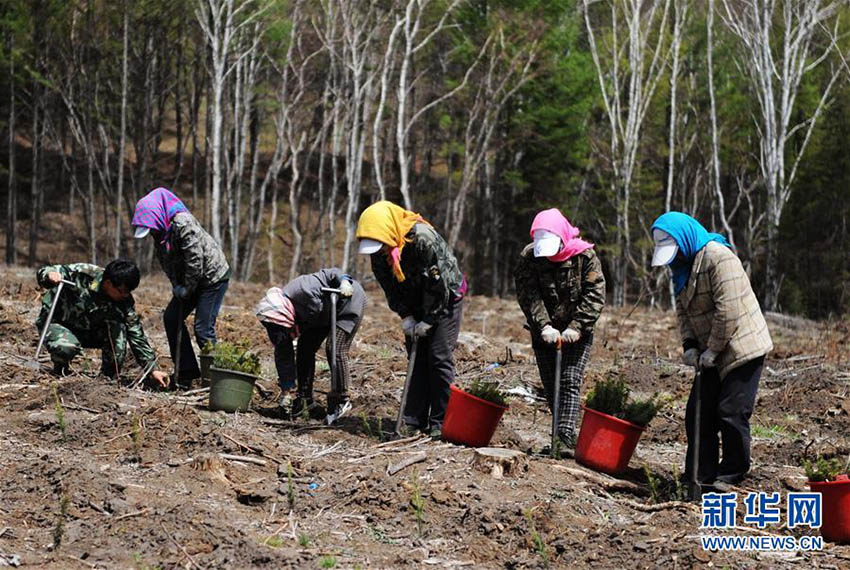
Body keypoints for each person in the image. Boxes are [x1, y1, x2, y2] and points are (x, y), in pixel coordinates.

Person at [651, 211, 772, 489]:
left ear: (685, 239)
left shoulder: (719, 258)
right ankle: (698, 475)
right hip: (709, 351)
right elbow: (683, 311)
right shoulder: (679, 268)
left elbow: (728, 310)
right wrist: (690, 346)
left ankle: (731, 473)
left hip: (742, 346)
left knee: (731, 411)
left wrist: (713, 350)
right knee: (698, 411)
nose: (674, 258)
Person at [356, 200, 466, 439]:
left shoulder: (422, 239)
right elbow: (390, 287)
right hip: (415, 302)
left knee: (438, 357)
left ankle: (440, 421)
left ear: (389, 232)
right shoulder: (379, 251)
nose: (380, 251)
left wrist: (428, 320)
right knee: (416, 359)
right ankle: (413, 419)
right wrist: (406, 315)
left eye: (382, 246)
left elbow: (440, 286)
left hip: (445, 298)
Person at [515, 208, 606, 455]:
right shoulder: (528, 257)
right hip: (543, 330)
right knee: (552, 383)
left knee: (569, 380)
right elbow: (528, 294)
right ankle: (559, 436)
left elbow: (595, 294)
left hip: (578, 330)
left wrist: (577, 326)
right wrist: (543, 325)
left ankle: (565, 440)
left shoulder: (585, 257)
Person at [132, 187, 230, 389]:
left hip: (212, 278)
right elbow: (166, 262)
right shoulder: (159, 231)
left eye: (150, 228)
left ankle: (217, 379)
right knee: (171, 317)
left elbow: (196, 260)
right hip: (189, 280)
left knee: (203, 329)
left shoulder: (182, 222)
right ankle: (186, 372)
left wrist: (187, 288)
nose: (150, 233)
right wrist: (176, 285)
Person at [35, 259, 169, 387]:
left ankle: (107, 379)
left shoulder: (124, 301)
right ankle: (60, 371)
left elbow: (136, 334)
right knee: (66, 347)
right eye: (122, 291)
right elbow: (46, 271)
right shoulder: (83, 273)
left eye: (129, 292)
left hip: (89, 330)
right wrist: (49, 275)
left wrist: (152, 369)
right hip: (58, 324)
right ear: (109, 283)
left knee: (119, 330)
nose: (125, 295)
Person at [255, 269, 365, 421]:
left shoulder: (301, 289)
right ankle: (305, 401)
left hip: (347, 302)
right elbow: (283, 353)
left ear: (281, 316)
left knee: (335, 348)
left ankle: (341, 399)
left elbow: (331, 273)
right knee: (304, 348)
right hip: (322, 316)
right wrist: (286, 390)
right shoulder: (281, 321)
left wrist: (344, 280)